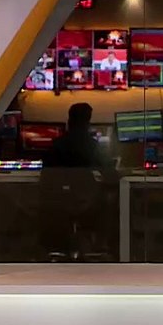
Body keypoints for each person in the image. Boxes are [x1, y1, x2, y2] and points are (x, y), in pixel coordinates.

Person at [39, 103, 118, 260]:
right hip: (86, 204)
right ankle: (104, 245)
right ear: (87, 123)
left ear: (69, 121)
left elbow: (46, 175)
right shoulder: (91, 145)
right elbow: (110, 175)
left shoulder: (56, 144)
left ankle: (59, 246)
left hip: (56, 203)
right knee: (113, 200)